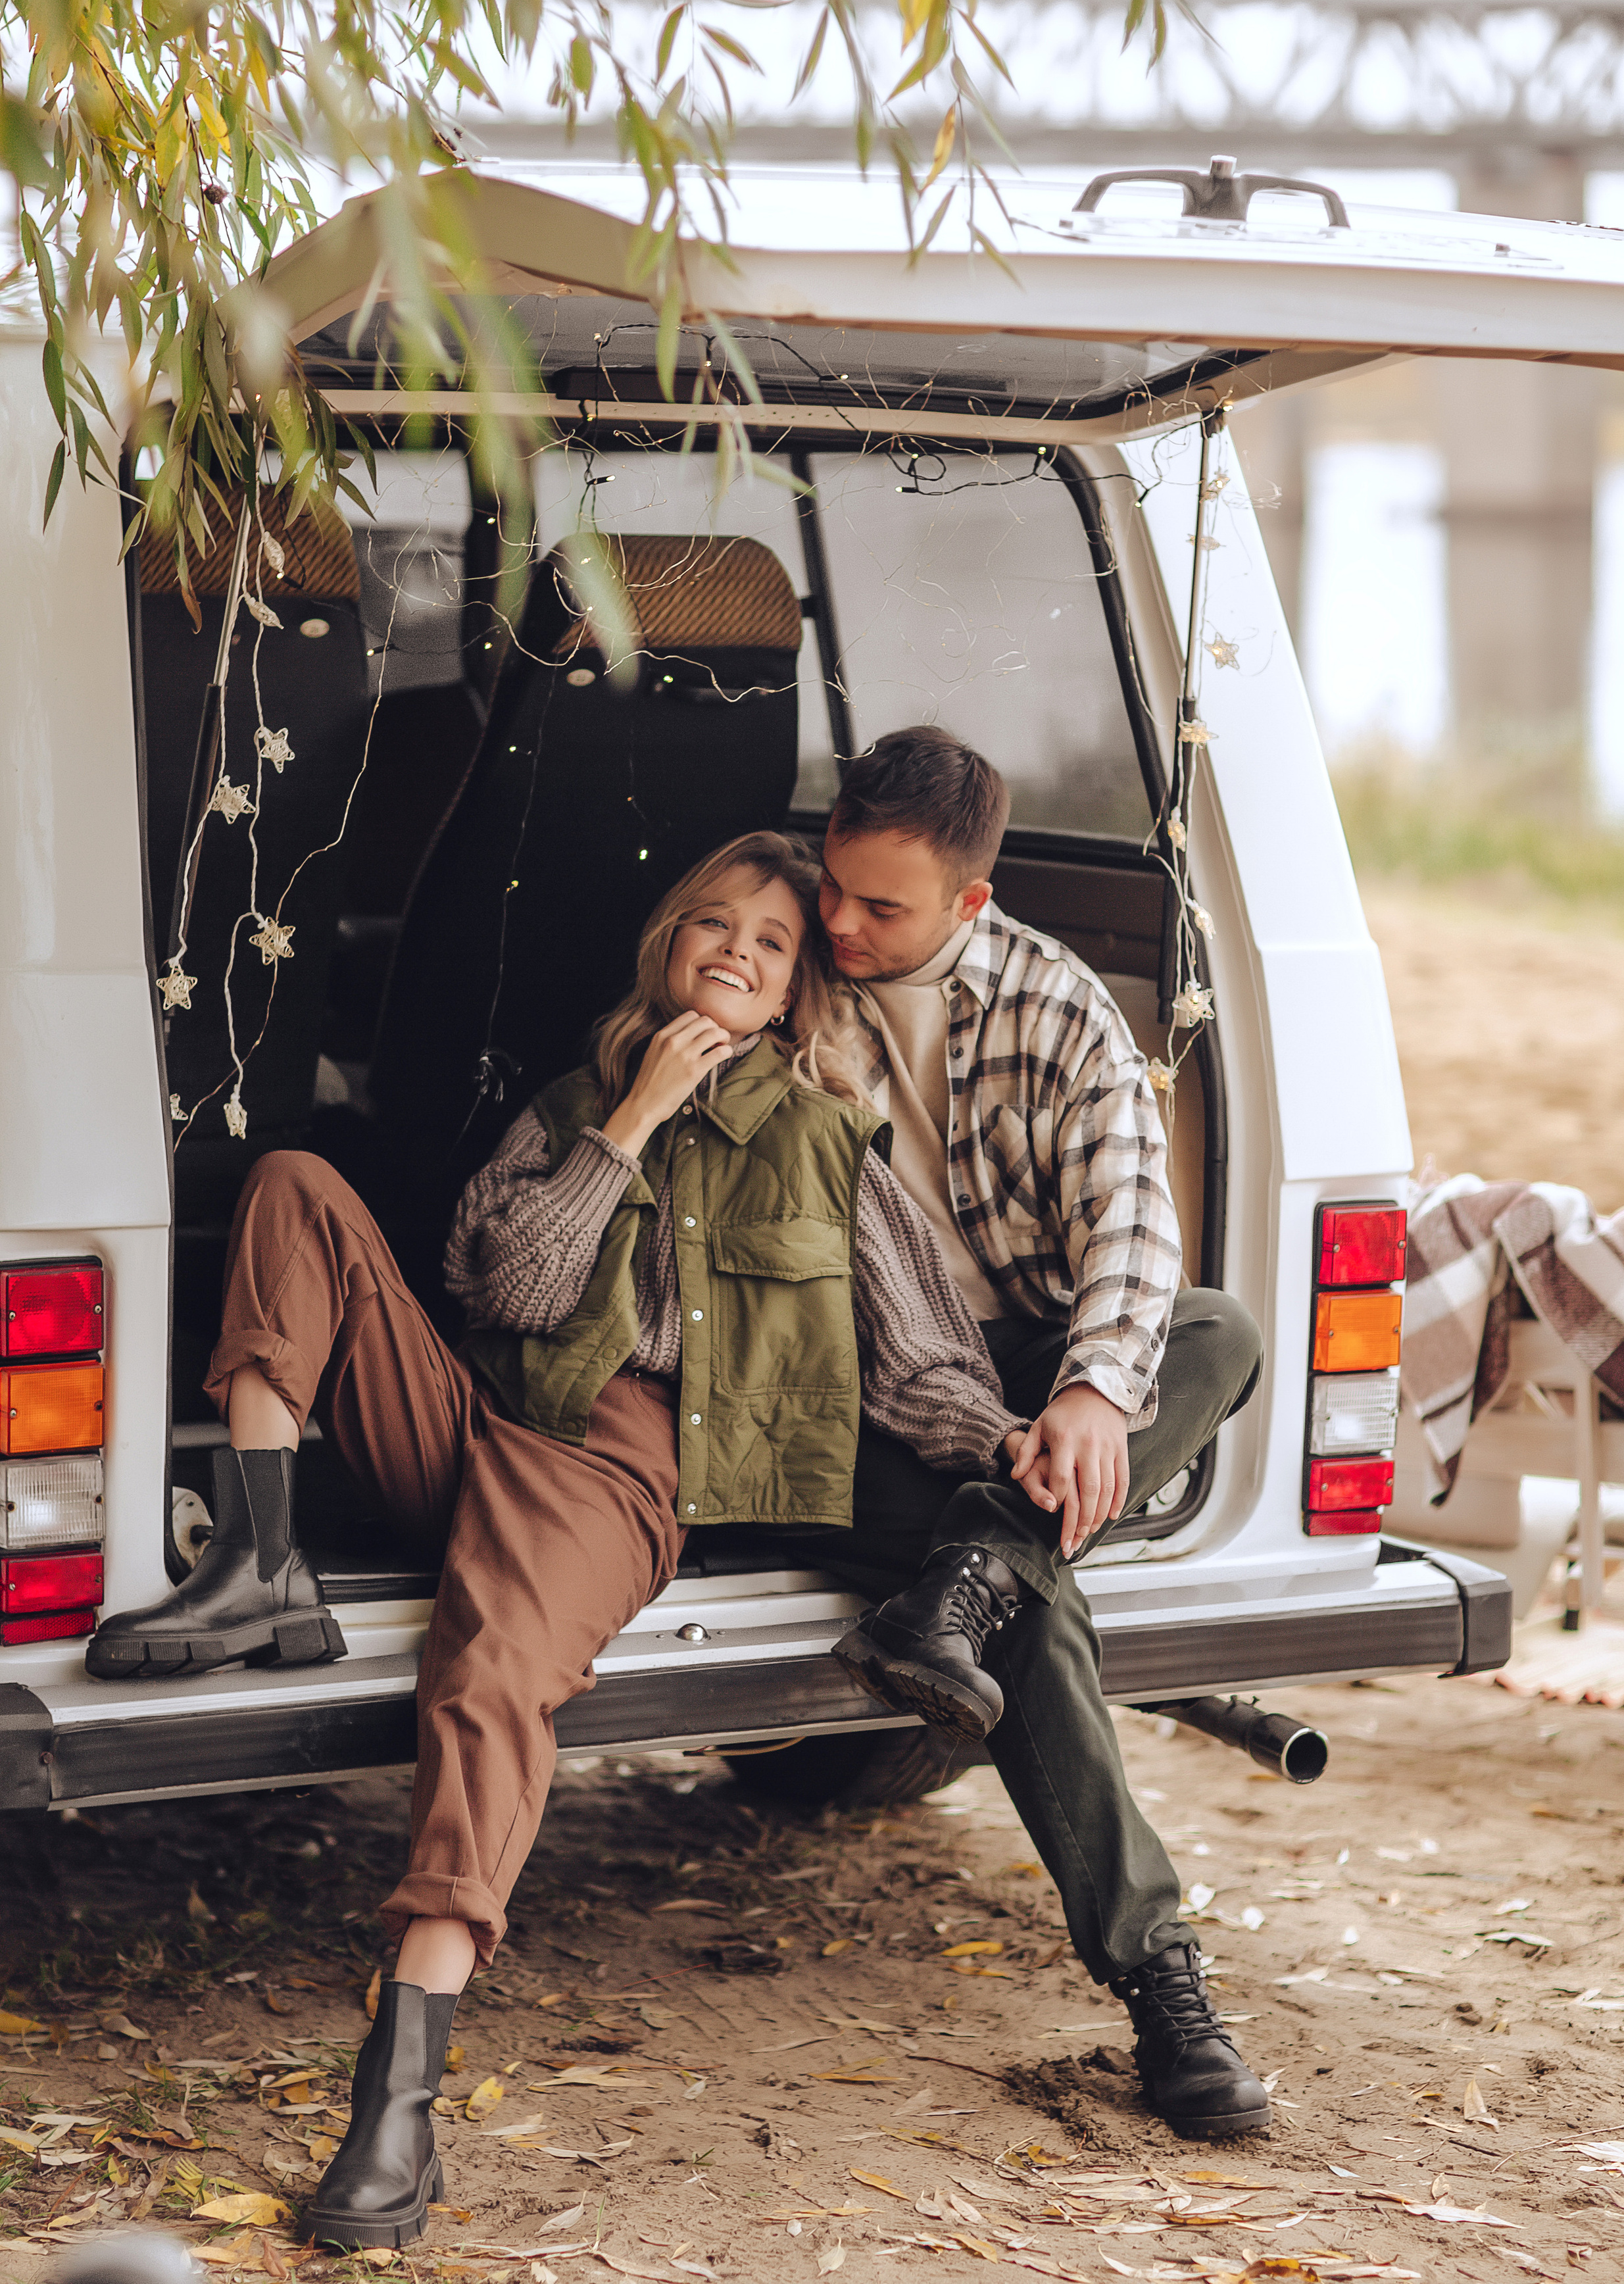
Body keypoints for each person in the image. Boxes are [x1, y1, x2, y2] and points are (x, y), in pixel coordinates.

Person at [85, 832, 1034, 2250]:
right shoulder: (568, 1103)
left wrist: (1023, 1437)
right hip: (476, 1409)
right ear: (666, 947)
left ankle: (396, 2099)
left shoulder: (830, 1145)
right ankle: (260, 1558)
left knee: (482, 1684)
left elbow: (918, 1362)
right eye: (711, 922)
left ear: (789, 990)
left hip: (606, 1460)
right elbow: (508, 1284)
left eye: (768, 941)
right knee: (294, 1182)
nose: (734, 947)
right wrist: (631, 1120)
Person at [804, 726, 1271, 2141]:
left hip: (1019, 1353)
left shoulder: (1060, 1010)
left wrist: (1078, 1397)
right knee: (1036, 1601)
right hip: (859, 1384)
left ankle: (968, 1577)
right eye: (832, 887)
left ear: (969, 900)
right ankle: (1161, 1978)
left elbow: (1132, 1235)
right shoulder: (788, 963)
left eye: (877, 907)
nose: (839, 923)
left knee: (1217, 1333)